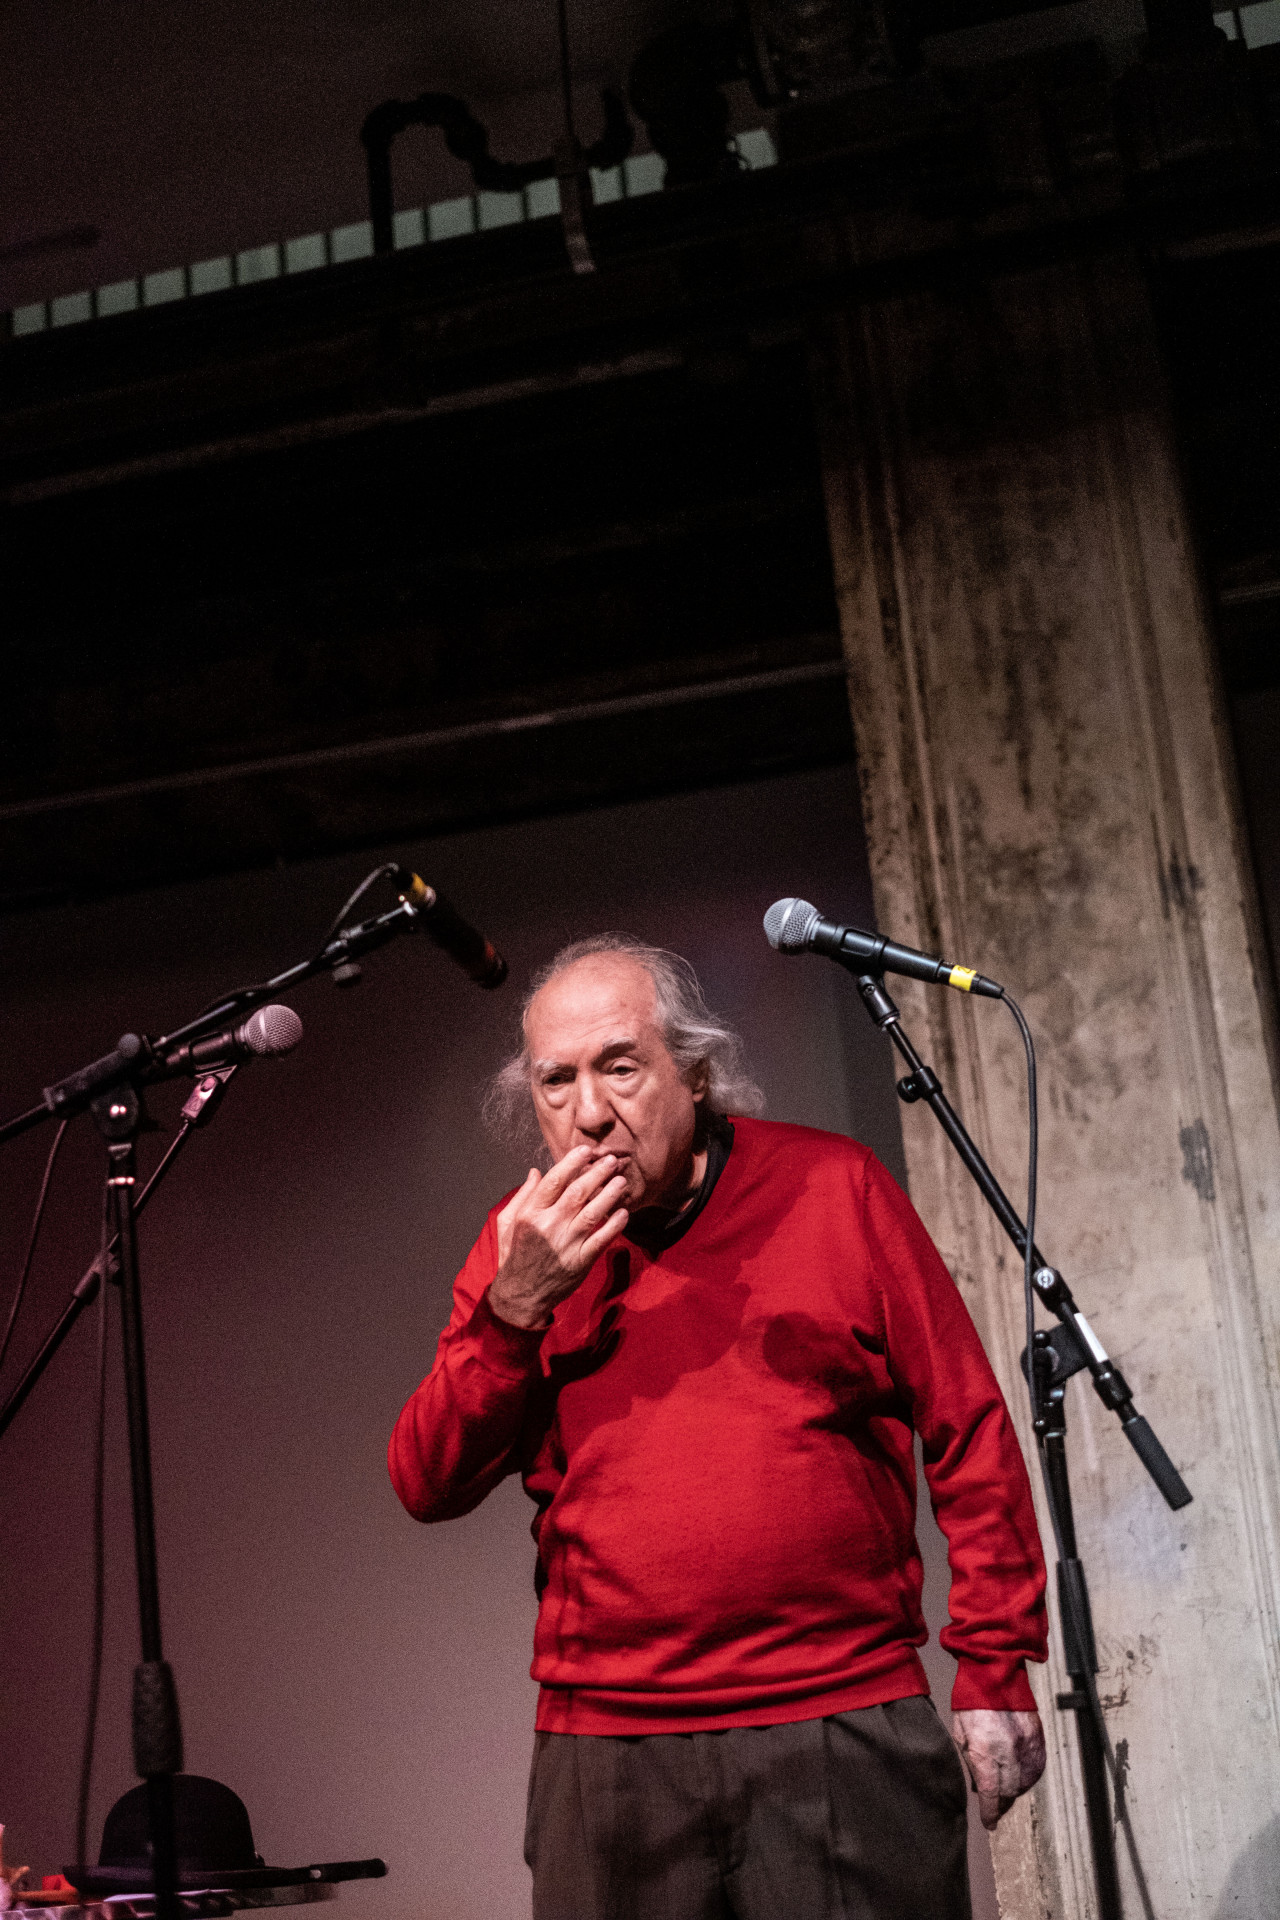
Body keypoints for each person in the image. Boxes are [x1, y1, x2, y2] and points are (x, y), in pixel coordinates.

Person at [389, 936, 1047, 1919]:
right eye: (554, 1081)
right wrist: (513, 1312)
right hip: (608, 1747)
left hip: (835, 1719)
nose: (588, 1113)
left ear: (692, 1073)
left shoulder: (833, 1189)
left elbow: (966, 1423)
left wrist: (994, 1664)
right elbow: (426, 1483)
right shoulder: (516, 1247)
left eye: (620, 1067)